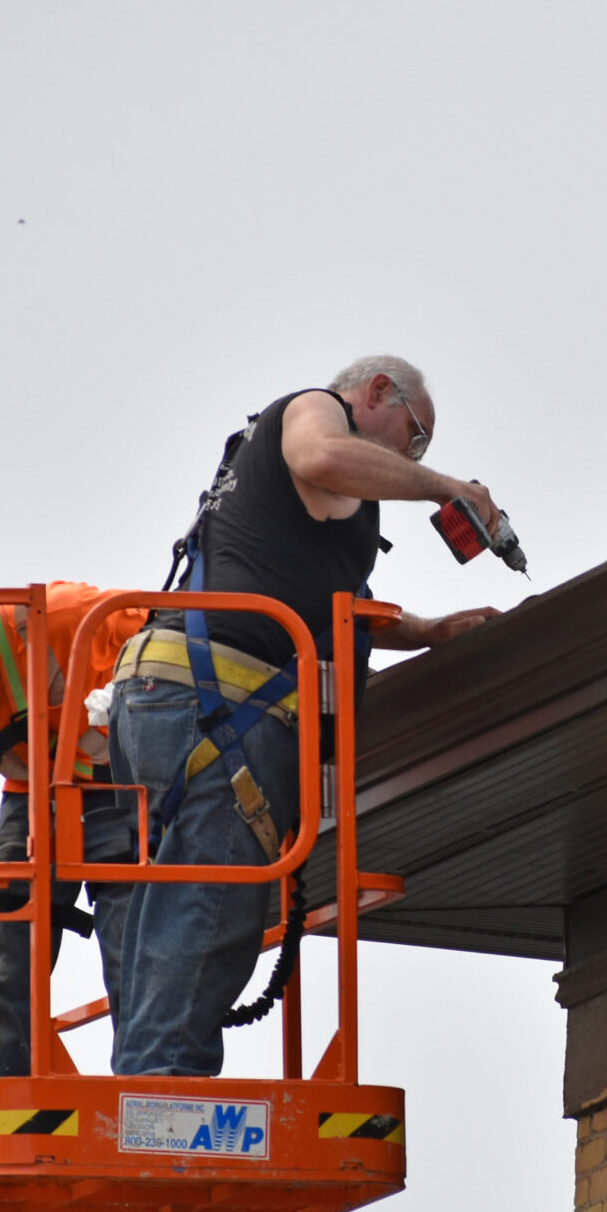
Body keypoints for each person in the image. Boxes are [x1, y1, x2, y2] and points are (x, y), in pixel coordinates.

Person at [102, 354, 502, 1076]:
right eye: (414, 439)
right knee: (208, 912)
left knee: (167, 907)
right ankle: (159, 1105)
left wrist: (432, 631)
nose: (412, 459)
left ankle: (143, 1084)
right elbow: (322, 452)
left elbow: (342, 615)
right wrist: (448, 487)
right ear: (378, 392)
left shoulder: (300, 507)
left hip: (169, 691)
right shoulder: (316, 413)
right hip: (218, 703)